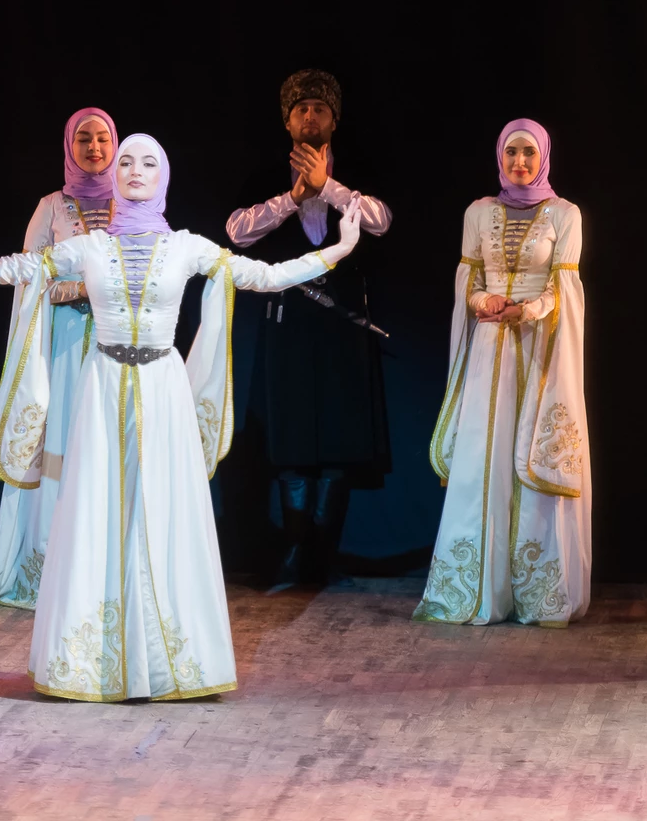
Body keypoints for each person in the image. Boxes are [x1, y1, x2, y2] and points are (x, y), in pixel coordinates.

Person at [0, 133, 363, 701]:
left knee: (161, 515)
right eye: (126, 161)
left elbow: (263, 276)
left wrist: (338, 250)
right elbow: (12, 269)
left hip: (162, 391)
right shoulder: (90, 247)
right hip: (102, 389)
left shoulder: (187, 248)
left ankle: (166, 659)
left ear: (163, 176)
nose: (135, 170)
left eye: (148, 163)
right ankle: (93, 663)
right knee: (98, 513)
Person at [414, 119, 590, 627]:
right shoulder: (478, 212)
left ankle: (535, 596)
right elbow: (468, 281)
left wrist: (528, 310)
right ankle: (473, 590)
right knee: (483, 461)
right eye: (511, 152)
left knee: (528, 460)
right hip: (490, 351)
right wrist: (482, 300)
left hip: (538, 348)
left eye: (528, 153)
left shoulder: (565, 214)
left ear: (543, 157)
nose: (520, 162)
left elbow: (564, 288)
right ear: (499, 156)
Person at [226, 69, 393, 586]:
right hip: (288, 324)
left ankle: (324, 555)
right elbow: (236, 232)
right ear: (288, 122)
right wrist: (293, 198)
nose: (310, 116)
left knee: (340, 440)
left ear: (333, 120)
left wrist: (329, 188)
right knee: (292, 438)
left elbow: (382, 220)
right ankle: (297, 552)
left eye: (320, 109)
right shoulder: (266, 176)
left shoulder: (358, 171)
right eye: (302, 110)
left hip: (344, 325)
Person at [0, 107, 119, 608]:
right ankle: (52, 569)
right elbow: (29, 282)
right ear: (69, 147)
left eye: (102, 138)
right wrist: (82, 289)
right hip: (65, 350)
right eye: (83, 139)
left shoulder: (135, 206)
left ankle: (108, 571)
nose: (94, 148)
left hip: (117, 349)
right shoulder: (51, 207)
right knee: (64, 445)